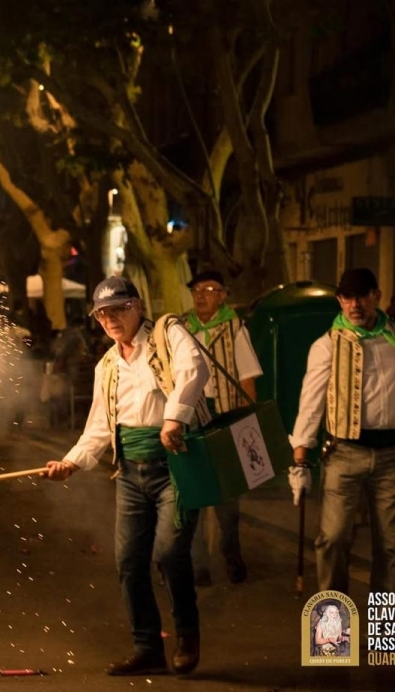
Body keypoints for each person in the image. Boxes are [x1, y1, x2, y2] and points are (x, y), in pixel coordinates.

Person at [44, 276, 210, 676]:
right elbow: (99, 427)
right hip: (131, 474)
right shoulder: (107, 366)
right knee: (129, 561)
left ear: (136, 305)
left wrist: (173, 419)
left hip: (177, 467)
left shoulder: (169, 334)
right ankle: (147, 646)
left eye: (118, 309)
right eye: (103, 313)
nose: (110, 319)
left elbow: (195, 370)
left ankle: (187, 635)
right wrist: (70, 461)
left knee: (170, 553)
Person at [288, 268, 395, 595]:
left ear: (376, 296)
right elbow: (310, 401)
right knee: (333, 540)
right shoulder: (327, 345)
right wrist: (300, 459)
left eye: (361, 296)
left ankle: (386, 633)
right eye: (347, 297)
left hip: (391, 456)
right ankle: (334, 632)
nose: (354, 304)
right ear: (340, 300)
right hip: (343, 455)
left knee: (391, 547)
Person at [183, 270, 261, 586]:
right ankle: (198, 562)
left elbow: (248, 380)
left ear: (223, 295)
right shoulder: (182, 328)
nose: (200, 295)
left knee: (227, 495)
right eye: (196, 289)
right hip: (190, 415)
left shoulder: (234, 329)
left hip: (225, 413)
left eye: (209, 289)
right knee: (195, 492)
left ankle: (231, 555)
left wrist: (246, 427)